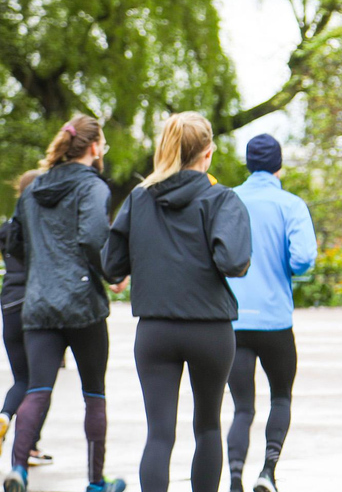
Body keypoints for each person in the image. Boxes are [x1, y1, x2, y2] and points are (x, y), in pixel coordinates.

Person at [101, 112, 252, 492]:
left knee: (159, 435)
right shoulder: (221, 199)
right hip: (210, 329)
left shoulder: (138, 199)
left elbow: (111, 265)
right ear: (208, 153)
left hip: (155, 330)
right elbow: (234, 263)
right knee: (207, 426)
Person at [3, 116, 127, 492]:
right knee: (95, 395)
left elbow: (15, 244)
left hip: (38, 304)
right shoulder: (93, 187)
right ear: (93, 147)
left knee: (37, 388)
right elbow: (92, 237)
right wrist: (112, 274)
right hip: (82, 304)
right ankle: (95, 482)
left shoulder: (32, 189)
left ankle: (18, 469)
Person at [225, 134, 317, 492]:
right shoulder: (291, 205)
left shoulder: (227, 199)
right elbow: (303, 258)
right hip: (275, 321)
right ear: (279, 166)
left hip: (233, 321)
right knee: (280, 396)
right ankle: (267, 471)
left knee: (242, 408)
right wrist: (289, 269)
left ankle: (234, 478)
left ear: (247, 164)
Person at [0, 169, 54, 467]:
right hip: (34, 306)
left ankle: (4, 416)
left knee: (21, 377)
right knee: (39, 383)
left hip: (8, 306)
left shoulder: (8, 227)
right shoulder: (42, 228)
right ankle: (30, 447)